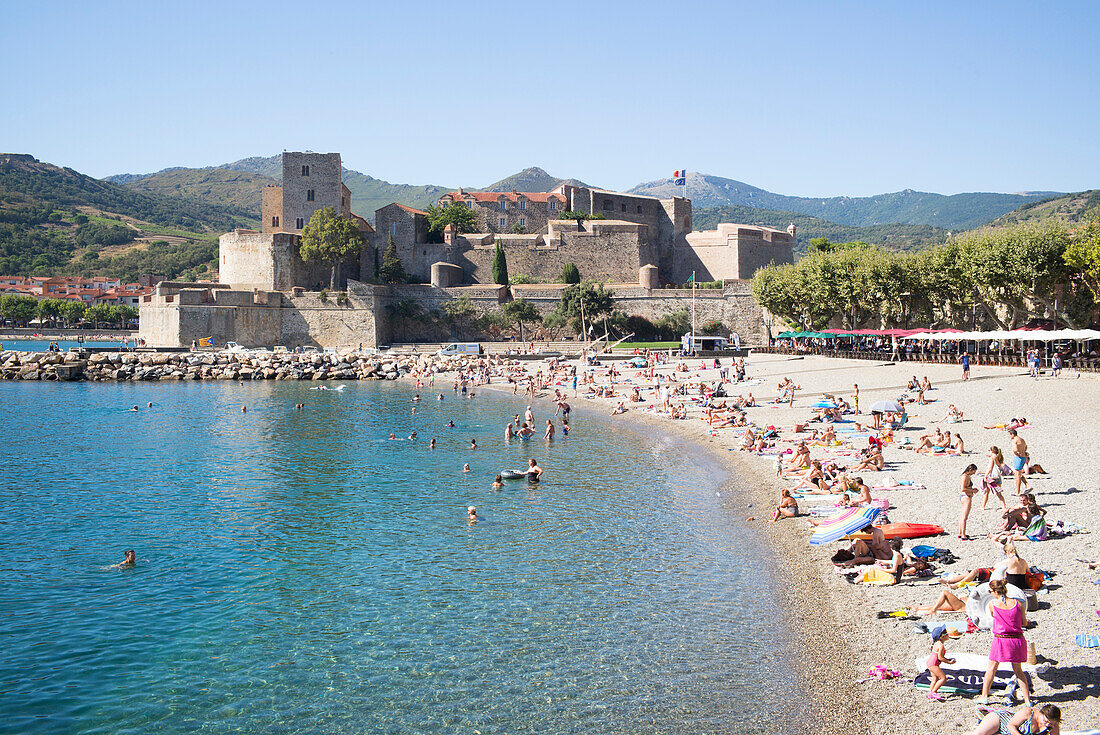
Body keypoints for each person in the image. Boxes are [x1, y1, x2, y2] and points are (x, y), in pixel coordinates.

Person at [975, 579, 1031, 707]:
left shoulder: (992, 604)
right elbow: (1023, 622)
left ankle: (984, 697)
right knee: (1018, 671)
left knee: (992, 668)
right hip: (1017, 639)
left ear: (995, 591)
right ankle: (1027, 700)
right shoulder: (1018, 603)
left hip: (1001, 639)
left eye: (991, 591)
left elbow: (995, 616)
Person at [963, 703, 1060, 735]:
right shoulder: (1029, 712)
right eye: (1046, 721)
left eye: (1051, 723)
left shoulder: (1053, 725)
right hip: (1001, 720)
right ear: (1041, 713)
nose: (1047, 724)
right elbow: (1010, 725)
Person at [925, 625, 955, 701]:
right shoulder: (940, 645)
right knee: (943, 678)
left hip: (929, 663)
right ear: (942, 637)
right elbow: (940, 658)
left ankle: (931, 693)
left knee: (934, 678)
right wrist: (949, 662)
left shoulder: (936, 643)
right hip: (933, 664)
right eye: (946, 634)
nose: (948, 635)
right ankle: (934, 692)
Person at [982, 446, 1009, 511]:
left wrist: (985, 475)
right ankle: (1003, 506)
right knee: (999, 493)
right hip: (998, 476)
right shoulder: (997, 457)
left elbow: (990, 468)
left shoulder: (992, 458)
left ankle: (983, 506)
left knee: (987, 491)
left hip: (992, 477)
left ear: (992, 451)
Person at [959, 463, 979, 540]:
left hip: (965, 496)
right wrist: (973, 490)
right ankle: (963, 535)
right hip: (966, 496)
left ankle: (961, 533)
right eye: (973, 472)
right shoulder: (965, 477)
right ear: (970, 470)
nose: (973, 473)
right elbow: (963, 488)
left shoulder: (964, 476)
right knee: (964, 516)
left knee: (962, 516)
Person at [1008, 429, 1029, 495]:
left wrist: (1016, 453)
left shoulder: (1015, 440)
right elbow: (1026, 447)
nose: (1009, 436)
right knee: (1019, 474)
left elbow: (1015, 449)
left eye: (1009, 435)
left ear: (1012, 434)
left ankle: (1018, 491)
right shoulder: (1022, 439)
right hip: (1023, 457)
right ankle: (1027, 485)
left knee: (1017, 475)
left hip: (1018, 458)